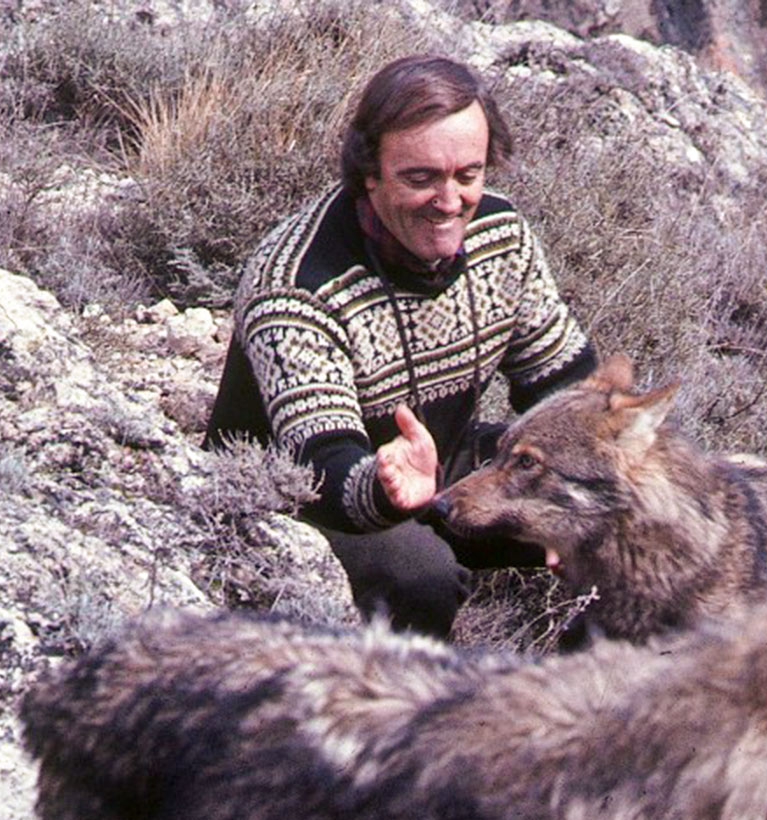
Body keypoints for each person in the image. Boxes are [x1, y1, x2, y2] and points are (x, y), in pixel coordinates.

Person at [204, 54, 597, 638]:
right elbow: (321, 464)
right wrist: (390, 494)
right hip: (296, 495)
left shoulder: (502, 235)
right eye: (421, 179)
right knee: (419, 573)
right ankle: (404, 717)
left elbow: (566, 385)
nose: (450, 201)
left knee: (624, 518)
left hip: (439, 459)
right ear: (369, 172)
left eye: (469, 174)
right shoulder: (296, 286)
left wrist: (589, 492)